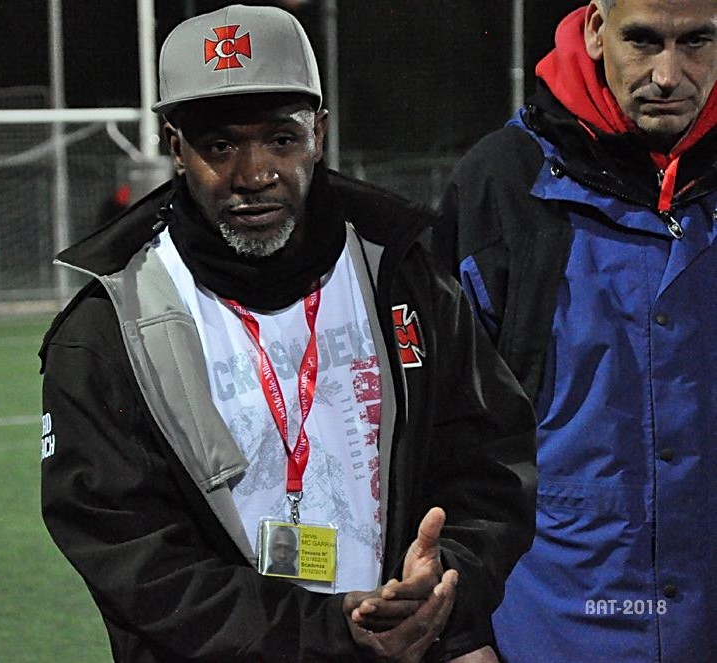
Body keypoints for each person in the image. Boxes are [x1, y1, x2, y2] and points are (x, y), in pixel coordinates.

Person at [39, 5, 536, 661]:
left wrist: (444, 588)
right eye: (220, 146)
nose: (254, 175)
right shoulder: (108, 327)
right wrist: (332, 632)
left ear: (319, 133)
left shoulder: (403, 277)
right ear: (175, 147)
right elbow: (134, 558)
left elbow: (491, 464)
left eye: (281, 138)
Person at [429, 1, 717, 660]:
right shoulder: (501, 184)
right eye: (643, 41)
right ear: (594, 31)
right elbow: (433, 429)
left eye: (696, 42)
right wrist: (459, 637)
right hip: (547, 630)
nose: (668, 74)